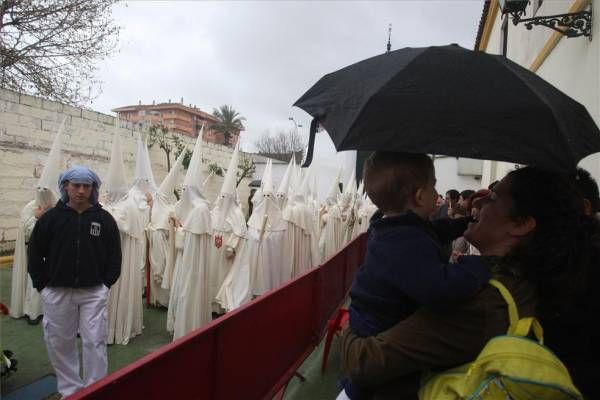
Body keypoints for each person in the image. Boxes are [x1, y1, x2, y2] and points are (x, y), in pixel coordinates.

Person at [341, 166, 600, 399]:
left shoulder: (484, 302)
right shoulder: (528, 280)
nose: (480, 198)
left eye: (494, 197)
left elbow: (363, 363)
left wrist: (356, 313)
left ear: (521, 224)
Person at [341, 152, 491, 398]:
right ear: (421, 196)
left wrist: (463, 224)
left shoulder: (395, 226)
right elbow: (441, 289)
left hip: (368, 315)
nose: (436, 192)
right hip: (379, 324)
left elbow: (433, 231)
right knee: (382, 385)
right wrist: (478, 266)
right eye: (434, 185)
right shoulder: (404, 243)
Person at [28, 166, 121, 398]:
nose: (81, 191)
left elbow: (114, 254)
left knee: (95, 342)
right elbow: (35, 253)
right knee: (60, 343)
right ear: (65, 186)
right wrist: (43, 286)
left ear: (93, 189)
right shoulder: (51, 219)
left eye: (86, 186)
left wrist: (105, 284)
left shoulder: (104, 219)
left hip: (93, 292)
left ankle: (94, 390)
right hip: (57, 291)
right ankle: (70, 392)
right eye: (76, 185)